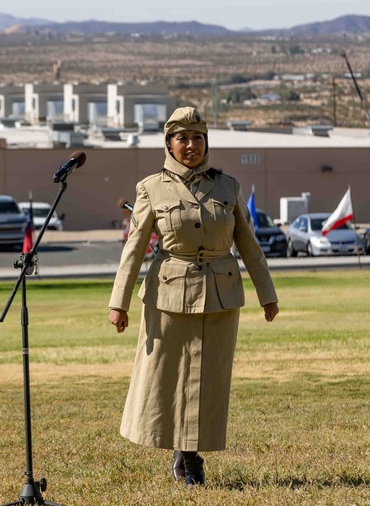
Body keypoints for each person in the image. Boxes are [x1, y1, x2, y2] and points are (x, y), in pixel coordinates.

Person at [107, 106, 279, 487]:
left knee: (208, 379)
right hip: (168, 294)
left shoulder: (228, 186)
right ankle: (180, 452)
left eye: (198, 138)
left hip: (220, 294)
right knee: (168, 378)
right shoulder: (151, 188)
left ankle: (192, 457)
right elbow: (133, 250)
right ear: (168, 144)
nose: (191, 145)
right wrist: (118, 303)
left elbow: (249, 246)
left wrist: (267, 294)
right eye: (182, 138)